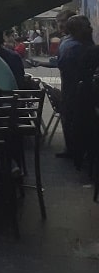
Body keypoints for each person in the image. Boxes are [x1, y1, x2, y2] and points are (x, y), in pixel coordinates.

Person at [56, 14, 93, 166]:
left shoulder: (67, 43)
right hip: (79, 88)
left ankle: (73, 149)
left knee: (70, 117)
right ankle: (81, 151)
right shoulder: (80, 46)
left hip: (71, 88)